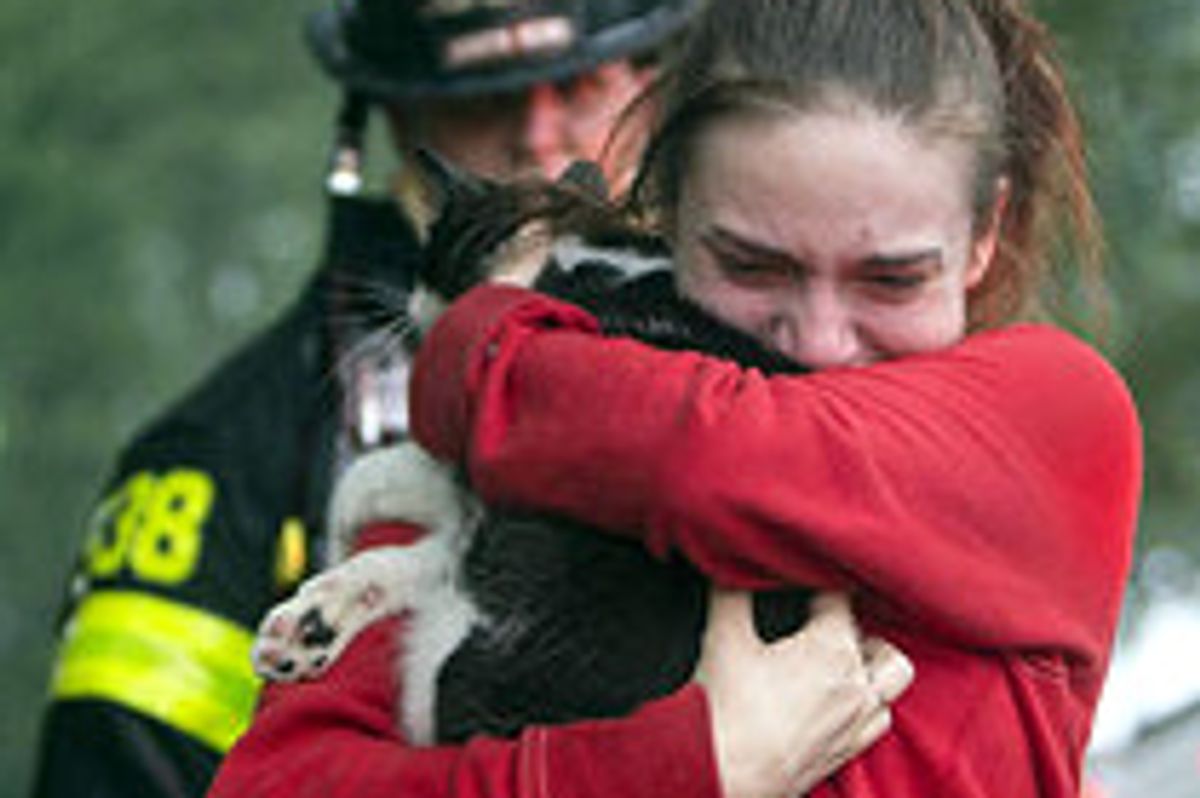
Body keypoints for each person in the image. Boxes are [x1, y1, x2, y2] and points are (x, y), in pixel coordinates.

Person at [211, 0, 1144, 796]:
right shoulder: (494, 462)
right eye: (750, 264)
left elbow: (717, 459)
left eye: (891, 280)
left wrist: (478, 349)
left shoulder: (1054, 418)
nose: (819, 342)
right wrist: (683, 765)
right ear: (665, 208)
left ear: (985, 235)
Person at [29, 1, 710, 796]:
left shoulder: (800, 334)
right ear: (394, 111)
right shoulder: (219, 456)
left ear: (657, 86)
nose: (538, 136)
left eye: (584, 84)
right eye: (486, 97)